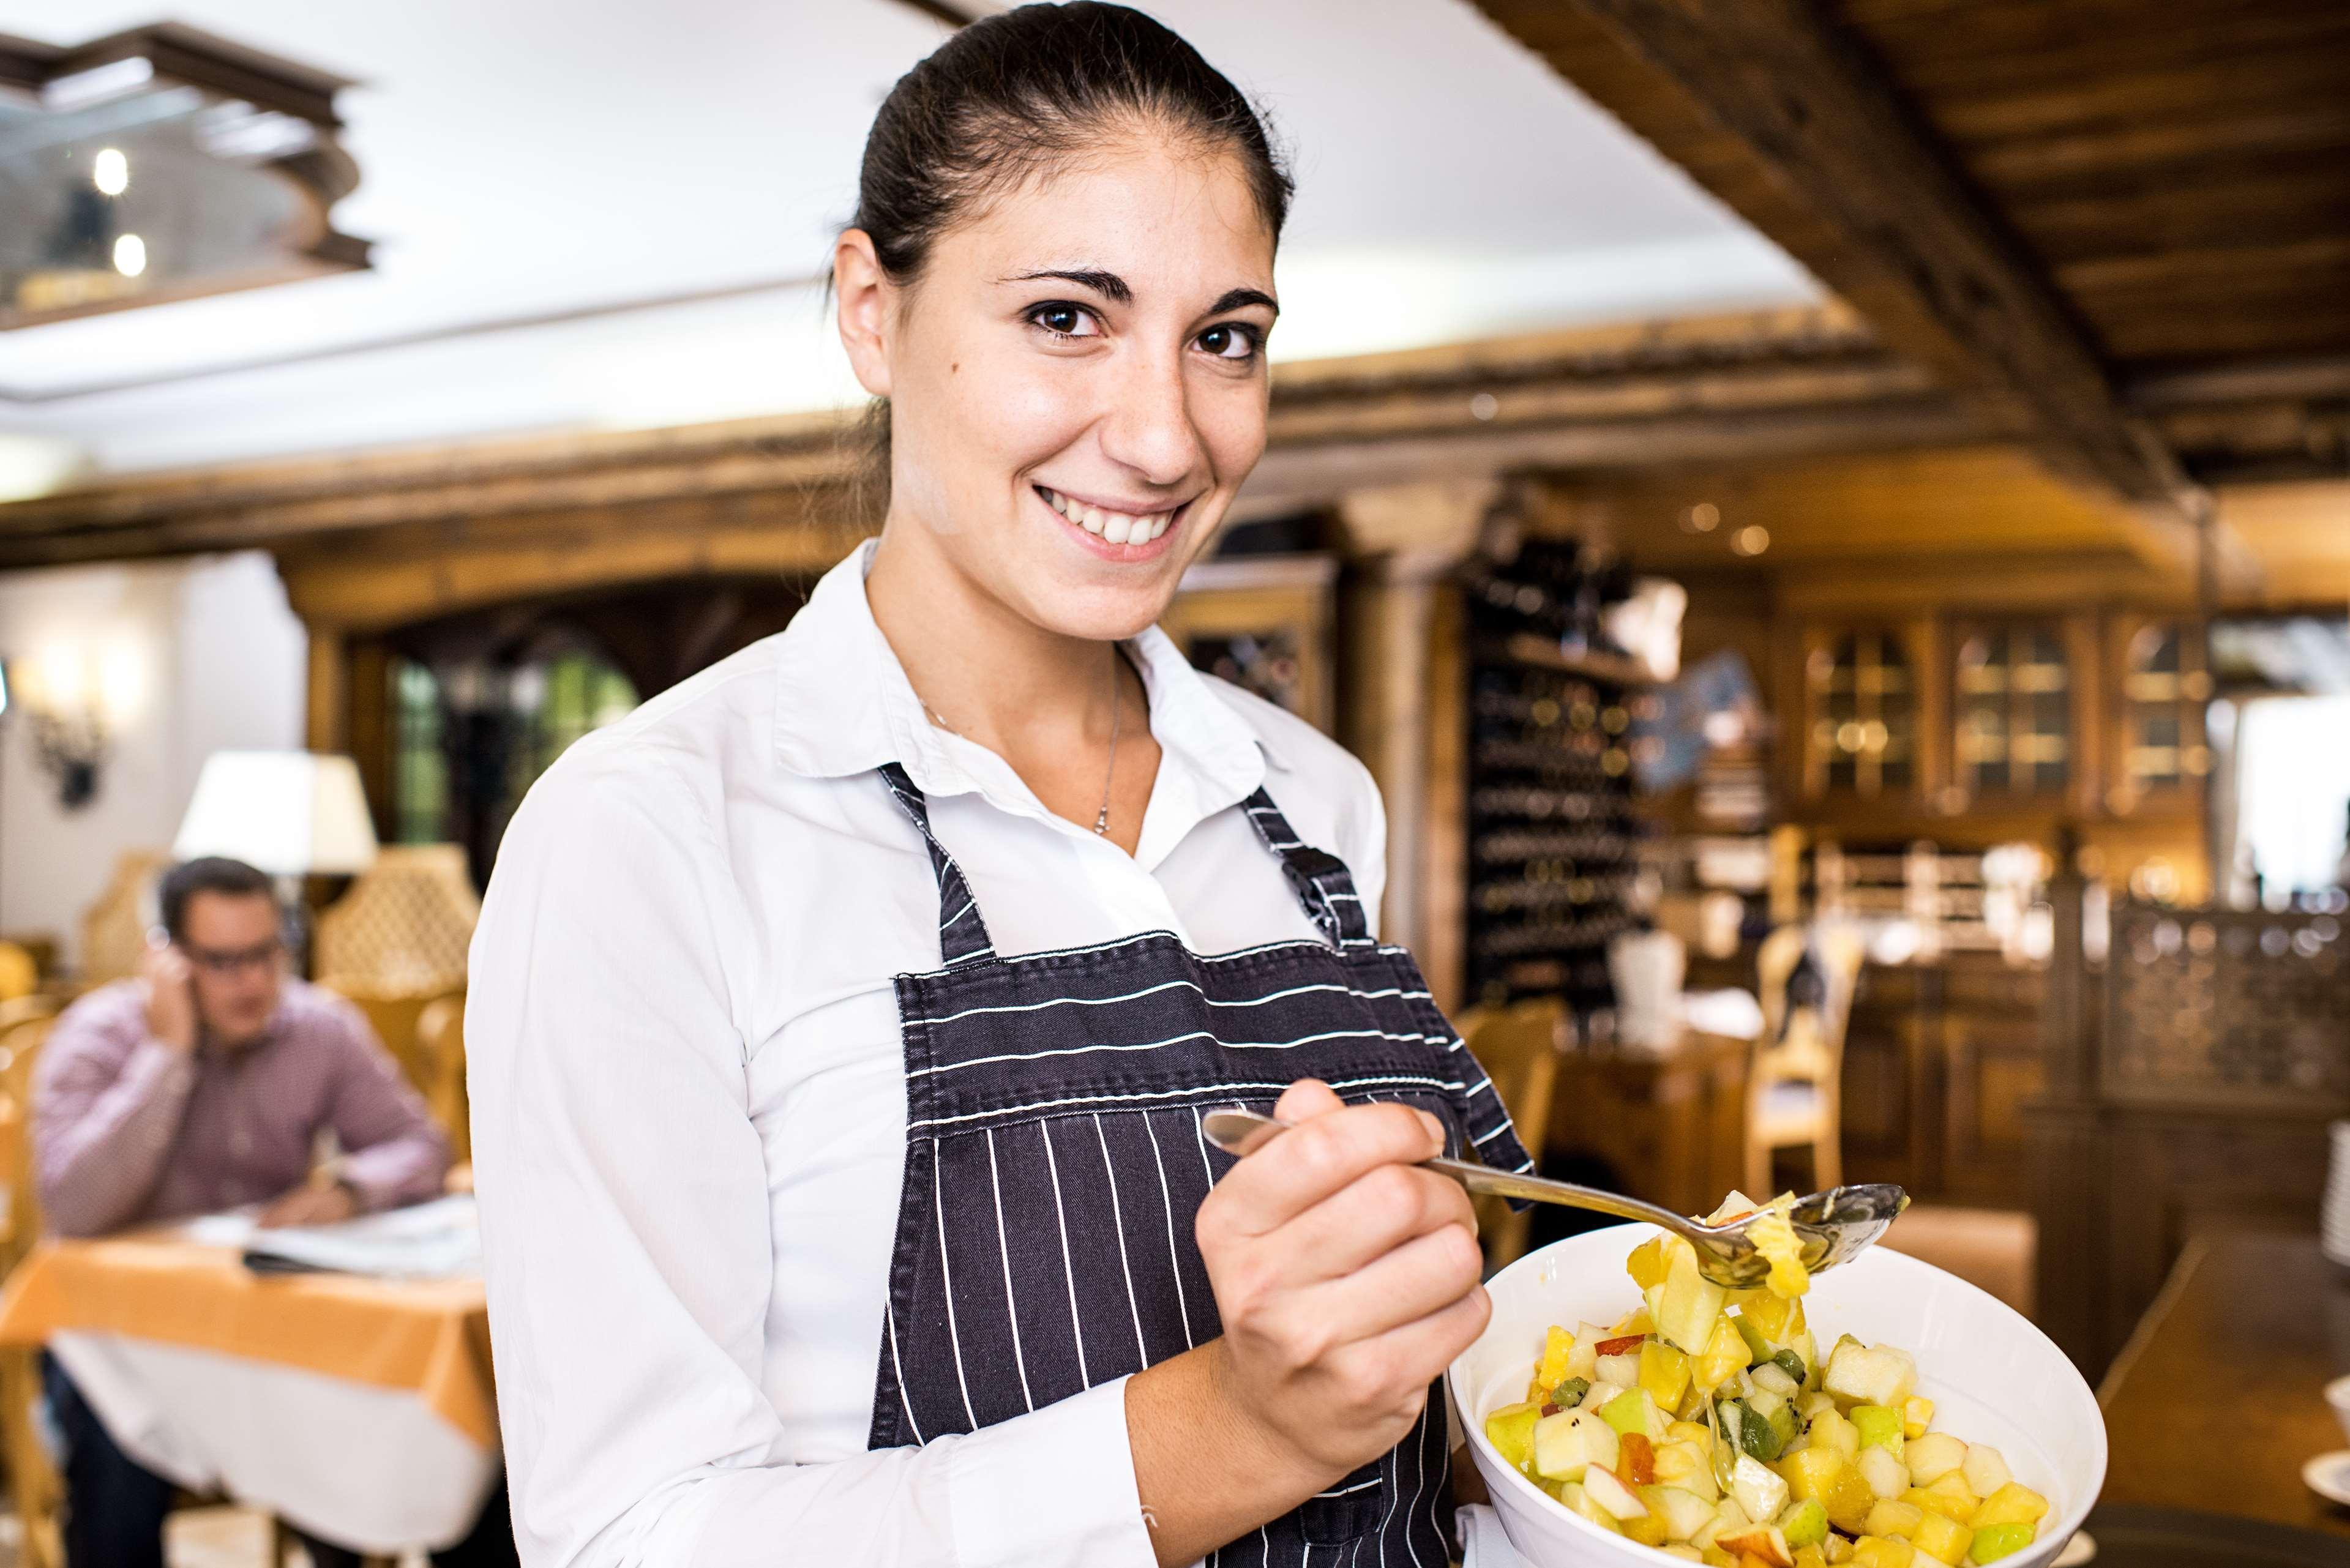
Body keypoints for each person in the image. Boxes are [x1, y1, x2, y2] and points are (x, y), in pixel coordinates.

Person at [468, 7, 1532, 1566]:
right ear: (870, 312)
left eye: (1224, 337)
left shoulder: (1313, 800)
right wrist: (1237, 1431)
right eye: (1063, 316)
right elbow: (631, 1536)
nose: (1167, 437)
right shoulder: (650, 834)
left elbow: (1405, 1455)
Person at [31, 854, 467, 1568]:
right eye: (224, 961)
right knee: (114, 1477)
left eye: (267, 954)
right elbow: (72, 1209)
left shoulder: (317, 1027)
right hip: (130, 1345)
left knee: (408, 1437)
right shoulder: (100, 1036)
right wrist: (168, 1054)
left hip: (270, 1337)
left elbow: (419, 1145)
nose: (255, 982)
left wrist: (347, 1190)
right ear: (167, 960)